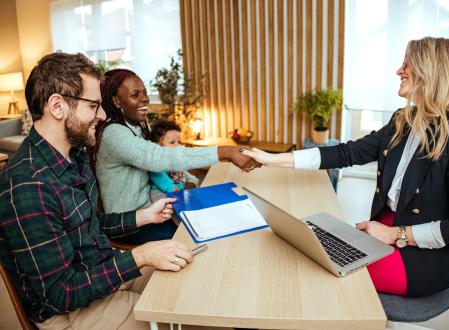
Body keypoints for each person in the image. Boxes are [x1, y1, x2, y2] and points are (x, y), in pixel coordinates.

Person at [241, 37, 449, 296]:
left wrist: (394, 234)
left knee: (319, 275)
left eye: (407, 64)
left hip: (421, 258)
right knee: (308, 248)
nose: (399, 71)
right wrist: (272, 159)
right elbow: (346, 153)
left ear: (432, 70)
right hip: (385, 232)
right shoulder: (404, 120)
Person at [0, 52, 194, 330]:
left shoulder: (73, 156)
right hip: (72, 311)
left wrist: (142, 217)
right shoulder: (27, 186)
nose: (103, 115)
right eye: (94, 106)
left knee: (188, 280)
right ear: (58, 106)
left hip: (102, 271)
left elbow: (86, 223)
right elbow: (60, 293)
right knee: (176, 318)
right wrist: (140, 256)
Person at [90, 69, 259, 244]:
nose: (145, 98)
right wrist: (225, 152)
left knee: (214, 219)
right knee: (203, 233)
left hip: (151, 211)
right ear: (117, 101)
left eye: (145, 93)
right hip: (130, 226)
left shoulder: (136, 127)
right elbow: (160, 158)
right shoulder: (114, 134)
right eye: (135, 94)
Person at [149, 119, 199, 197]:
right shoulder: (155, 164)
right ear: (157, 145)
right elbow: (162, 180)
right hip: (161, 192)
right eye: (172, 142)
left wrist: (192, 182)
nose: (177, 146)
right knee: (159, 197)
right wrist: (175, 189)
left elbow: (187, 176)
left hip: (179, 191)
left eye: (178, 142)